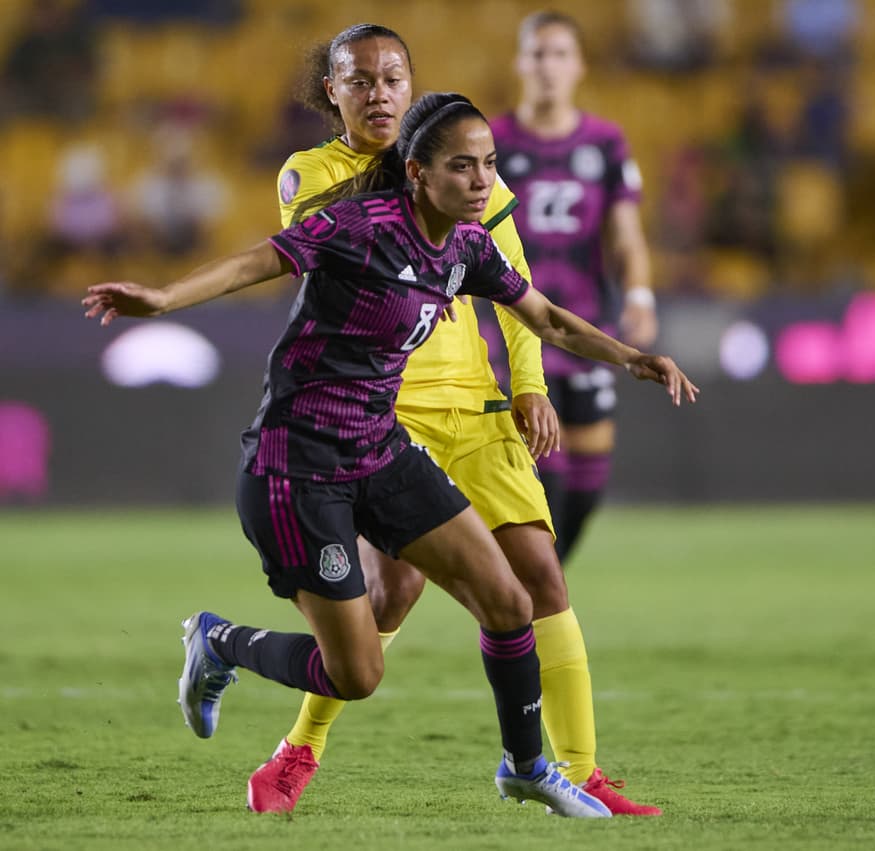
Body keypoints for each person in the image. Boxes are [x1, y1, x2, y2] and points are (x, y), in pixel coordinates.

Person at [82, 91, 698, 818]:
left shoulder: (467, 246)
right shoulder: (358, 226)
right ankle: (221, 643)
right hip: (299, 462)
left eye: (489, 164)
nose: (483, 181)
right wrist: (162, 298)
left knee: (510, 599)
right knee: (357, 671)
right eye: (463, 166)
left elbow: (546, 317)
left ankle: (529, 767)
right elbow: (255, 262)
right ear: (417, 172)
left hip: (381, 450)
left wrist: (632, 358)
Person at [251, 24, 663, 816]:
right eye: (361, 81)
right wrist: (423, 187)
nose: (379, 94)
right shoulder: (311, 174)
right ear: (333, 92)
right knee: (390, 595)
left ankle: (579, 768)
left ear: (412, 87)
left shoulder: (460, 166)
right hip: (386, 411)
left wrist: (529, 384)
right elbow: (359, 236)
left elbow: (517, 287)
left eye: (393, 79)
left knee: (542, 575)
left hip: (475, 405)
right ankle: (300, 747)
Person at [490, 11, 659, 563]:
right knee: (546, 486)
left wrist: (638, 295)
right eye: (537, 53)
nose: (548, 66)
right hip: (514, 335)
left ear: (579, 66)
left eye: (560, 54)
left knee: (585, 491)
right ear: (520, 62)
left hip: (585, 328)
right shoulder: (491, 143)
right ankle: (532, 601)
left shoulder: (606, 144)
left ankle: (534, 594)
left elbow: (626, 237)